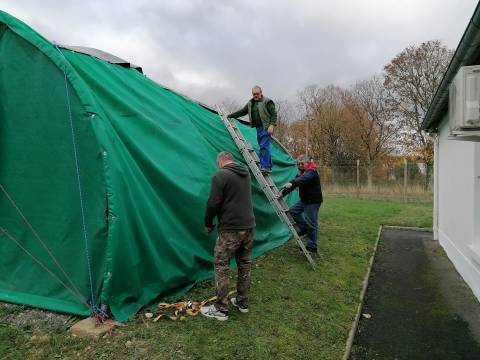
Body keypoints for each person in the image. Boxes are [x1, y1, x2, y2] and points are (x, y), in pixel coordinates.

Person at [201, 151, 256, 321]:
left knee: (221, 266)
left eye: (218, 163)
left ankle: (221, 309)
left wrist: (208, 223)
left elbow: (213, 203)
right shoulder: (245, 173)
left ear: (221, 161)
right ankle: (242, 302)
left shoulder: (220, 175)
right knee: (244, 265)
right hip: (248, 228)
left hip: (230, 229)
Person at [277, 155, 323, 253]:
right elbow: (294, 184)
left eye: (302, 164)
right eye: (298, 164)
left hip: (313, 201)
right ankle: (304, 228)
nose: (300, 166)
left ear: (308, 163)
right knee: (292, 212)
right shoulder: (303, 173)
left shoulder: (312, 172)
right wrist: (282, 193)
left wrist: (292, 182)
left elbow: (301, 180)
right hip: (305, 200)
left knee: (312, 224)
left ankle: (312, 246)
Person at [227, 85, 277, 174]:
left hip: (266, 126)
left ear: (261, 93)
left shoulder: (267, 102)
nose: (255, 96)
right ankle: (268, 167)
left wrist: (272, 125)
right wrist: (230, 116)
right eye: (254, 94)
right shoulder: (251, 103)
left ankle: (265, 167)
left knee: (264, 146)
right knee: (264, 146)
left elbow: (274, 114)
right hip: (258, 127)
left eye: (257, 94)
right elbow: (242, 111)